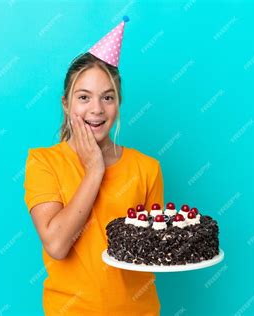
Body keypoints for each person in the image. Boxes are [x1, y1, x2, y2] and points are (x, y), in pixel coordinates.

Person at [24, 17, 164, 315]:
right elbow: (58, 245)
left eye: (107, 97)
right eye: (84, 97)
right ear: (66, 104)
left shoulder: (147, 168)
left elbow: (153, 252)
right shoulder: (43, 162)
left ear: (119, 103)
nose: (97, 109)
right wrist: (94, 170)